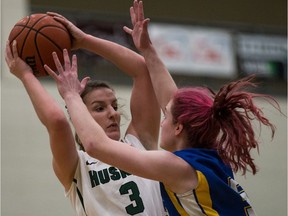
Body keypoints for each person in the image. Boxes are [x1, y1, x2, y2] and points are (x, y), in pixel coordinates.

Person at [44, 1, 282, 215]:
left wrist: (70, 95)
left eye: (165, 116)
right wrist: (147, 50)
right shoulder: (205, 157)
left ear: (179, 127)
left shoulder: (176, 167)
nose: (161, 120)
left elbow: (96, 145)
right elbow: (173, 99)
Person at [5, 11, 167, 215]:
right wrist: (25, 75)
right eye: (100, 108)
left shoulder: (139, 143)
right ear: (79, 116)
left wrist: (84, 40)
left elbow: (143, 70)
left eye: (114, 106)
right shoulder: (77, 166)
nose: (113, 114)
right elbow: (56, 121)